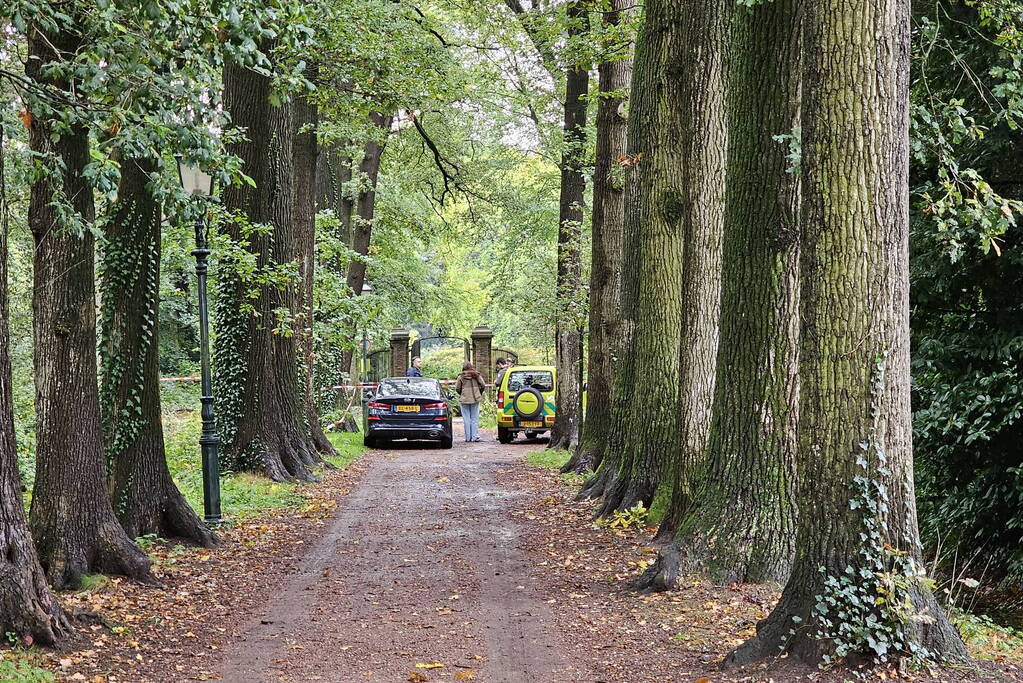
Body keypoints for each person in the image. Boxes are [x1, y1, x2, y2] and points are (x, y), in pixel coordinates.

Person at [455, 361, 486, 442]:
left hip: (464, 399)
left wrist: (462, 394)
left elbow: (457, 388)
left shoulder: (461, 377)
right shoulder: (476, 375)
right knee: (474, 418)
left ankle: (468, 438)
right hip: (475, 398)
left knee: (466, 419)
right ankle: (474, 436)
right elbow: (483, 385)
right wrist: (479, 392)